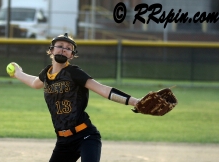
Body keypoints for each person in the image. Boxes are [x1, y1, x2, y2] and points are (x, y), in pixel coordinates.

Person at [9, 33, 140, 162]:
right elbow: (34, 82)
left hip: (86, 136)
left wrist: (135, 102)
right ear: (51, 50)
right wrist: (18, 73)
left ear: (71, 55)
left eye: (68, 48)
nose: (64, 49)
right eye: (60, 45)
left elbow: (103, 89)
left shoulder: (74, 73)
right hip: (63, 142)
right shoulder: (46, 74)